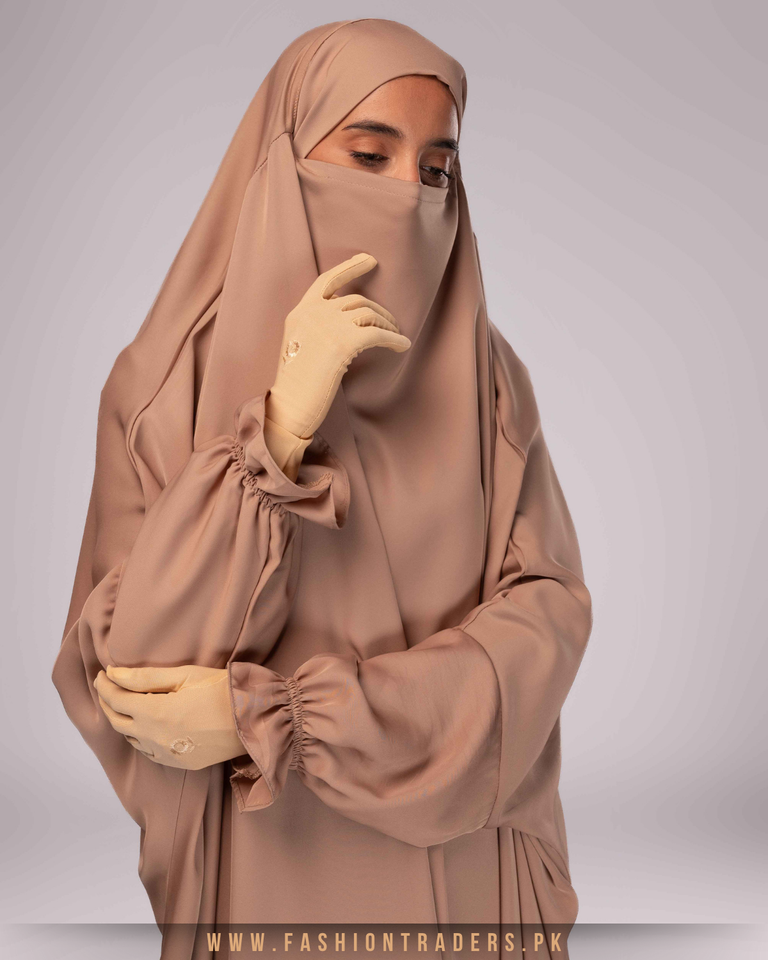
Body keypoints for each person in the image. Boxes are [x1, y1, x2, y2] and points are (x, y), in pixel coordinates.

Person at [51, 17, 593, 960]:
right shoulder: (162, 388)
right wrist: (277, 429)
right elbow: (138, 674)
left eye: (436, 171)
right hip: (269, 883)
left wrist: (278, 721)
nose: (408, 196)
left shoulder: (487, 377)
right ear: (285, 159)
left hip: (467, 886)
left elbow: (545, 621)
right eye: (367, 156)